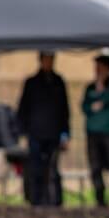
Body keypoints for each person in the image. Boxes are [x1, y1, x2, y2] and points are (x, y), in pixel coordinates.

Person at [16, 51, 69, 206]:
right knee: (36, 168)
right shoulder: (31, 83)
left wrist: (65, 133)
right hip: (36, 132)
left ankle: (55, 201)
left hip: (54, 133)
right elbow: (23, 109)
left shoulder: (59, 82)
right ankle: (36, 200)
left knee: (53, 169)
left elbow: (64, 110)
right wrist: (23, 133)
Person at [81, 54, 109, 207]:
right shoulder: (90, 87)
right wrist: (97, 98)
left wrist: (101, 94)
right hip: (93, 132)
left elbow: (108, 100)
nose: (97, 71)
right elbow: (86, 107)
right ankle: (100, 201)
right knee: (95, 167)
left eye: (100, 68)